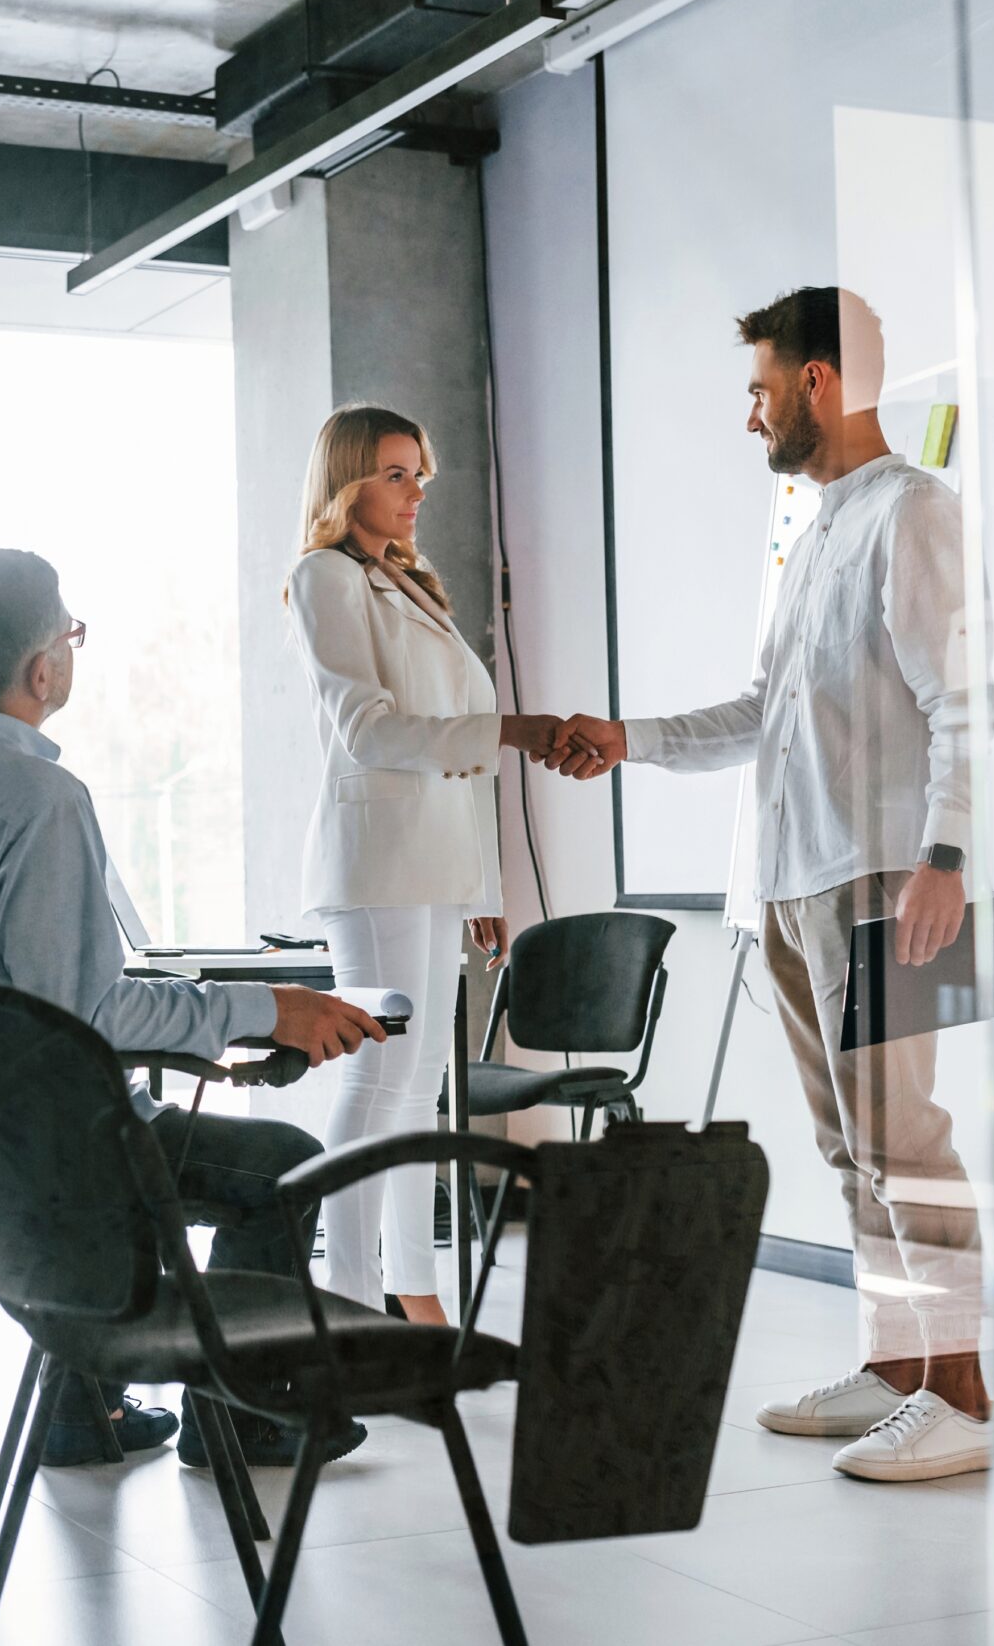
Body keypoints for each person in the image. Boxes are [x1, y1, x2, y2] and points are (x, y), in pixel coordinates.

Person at [547, 287, 988, 1482]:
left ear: (816, 382)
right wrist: (627, 736)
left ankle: (961, 1395)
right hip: (799, 880)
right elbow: (762, 712)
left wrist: (946, 857)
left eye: (757, 389)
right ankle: (896, 1367)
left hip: (891, 874)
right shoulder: (811, 528)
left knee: (906, 1140)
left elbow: (965, 699)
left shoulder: (914, 510)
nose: (748, 417)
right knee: (851, 1148)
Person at [0, 547, 389, 1471]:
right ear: (44, 668)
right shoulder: (38, 798)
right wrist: (263, 1011)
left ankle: (80, 1413)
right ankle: (240, 1418)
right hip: (24, 1164)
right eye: (70, 634)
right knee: (281, 1165)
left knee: (122, 1118)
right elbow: (81, 1014)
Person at [284, 404, 563, 1327]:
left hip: (436, 867)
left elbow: (460, 768)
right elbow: (369, 731)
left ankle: (413, 1290)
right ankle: (348, 1300)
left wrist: (480, 883)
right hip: (378, 866)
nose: (416, 493)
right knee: (377, 1080)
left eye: (421, 476)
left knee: (416, 1087)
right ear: (348, 480)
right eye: (396, 474)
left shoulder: (410, 585)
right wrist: (511, 730)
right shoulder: (325, 577)